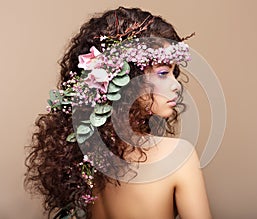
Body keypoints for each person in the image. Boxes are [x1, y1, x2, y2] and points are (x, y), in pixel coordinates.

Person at [24, 6, 212, 219]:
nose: (176, 85)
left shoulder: (86, 159)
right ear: (126, 80)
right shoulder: (178, 156)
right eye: (162, 73)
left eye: (174, 73)